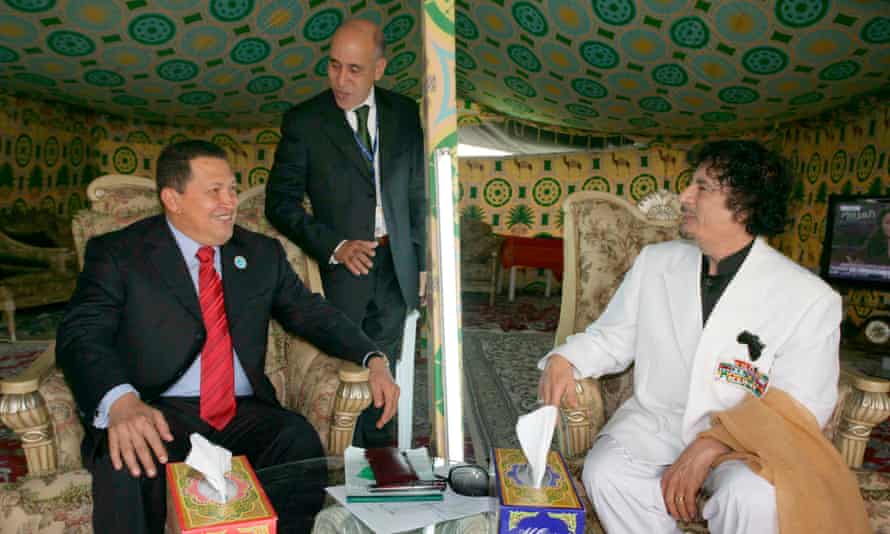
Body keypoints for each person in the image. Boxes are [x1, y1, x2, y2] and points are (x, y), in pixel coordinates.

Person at [56, 141, 399, 534]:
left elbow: (312, 314)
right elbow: (81, 333)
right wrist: (120, 402)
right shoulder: (119, 253)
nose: (230, 202)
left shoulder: (260, 253)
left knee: (296, 440)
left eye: (233, 189)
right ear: (173, 199)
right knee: (129, 455)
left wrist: (372, 357)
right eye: (214, 191)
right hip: (157, 405)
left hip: (241, 409)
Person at [538, 140, 844, 533]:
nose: (683, 196)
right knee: (606, 473)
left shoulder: (809, 298)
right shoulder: (655, 263)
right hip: (657, 425)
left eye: (701, 186)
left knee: (752, 497)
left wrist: (714, 441)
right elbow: (612, 337)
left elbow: (803, 403)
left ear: (744, 206)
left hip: (748, 440)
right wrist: (566, 359)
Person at [266, 18, 426, 447]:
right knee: (346, 373)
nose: (341, 79)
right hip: (341, 270)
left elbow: (416, 194)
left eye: (354, 69)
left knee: (384, 366)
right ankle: (341, 464)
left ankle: (381, 463)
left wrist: (423, 263)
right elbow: (278, 202)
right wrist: (334, 246)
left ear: (379, 68)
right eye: (334, 66)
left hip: (397, 263)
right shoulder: (304, 122)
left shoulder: (406, 114)